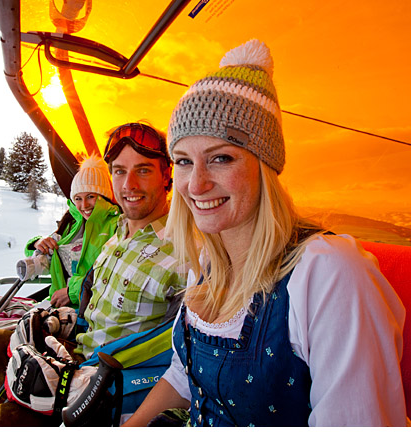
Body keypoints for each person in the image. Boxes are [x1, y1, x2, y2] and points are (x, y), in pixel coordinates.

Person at [123, 39, 407, 427]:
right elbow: (184, 376)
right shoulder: (208, 261)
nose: (196, 184)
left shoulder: (328, 274)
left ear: (265, 166)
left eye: (221, 158)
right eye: (184, 162)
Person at [0, 122, 186, 427]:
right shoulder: (120, 232)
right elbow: (97, 306)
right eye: (120, 171)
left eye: (144, 170)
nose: (129, 184)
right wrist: (64, 322)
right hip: (67, 351)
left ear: (168, 175)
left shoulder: (185, 252)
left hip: (90, 389)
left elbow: (186, 364)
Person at [0, 155, 120, 329]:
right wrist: (37, 244)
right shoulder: (72, 225)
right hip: (54, 304)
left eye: (91, 196)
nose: (84, 204)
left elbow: (114, 276)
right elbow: (46, 258)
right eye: (78, 198)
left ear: (103, 195)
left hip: (81, 313)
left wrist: (73, 292)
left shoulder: (116, 226)